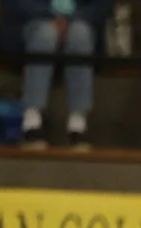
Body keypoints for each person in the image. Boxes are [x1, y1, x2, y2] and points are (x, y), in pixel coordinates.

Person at [9, 0, 109, 150]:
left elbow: (101, 5)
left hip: (81, 20)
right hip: (34, 21)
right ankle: (32, 119)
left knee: (80, 34)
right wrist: (52, 17)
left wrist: (69, 19)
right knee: (45, 34)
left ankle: (78, 123)